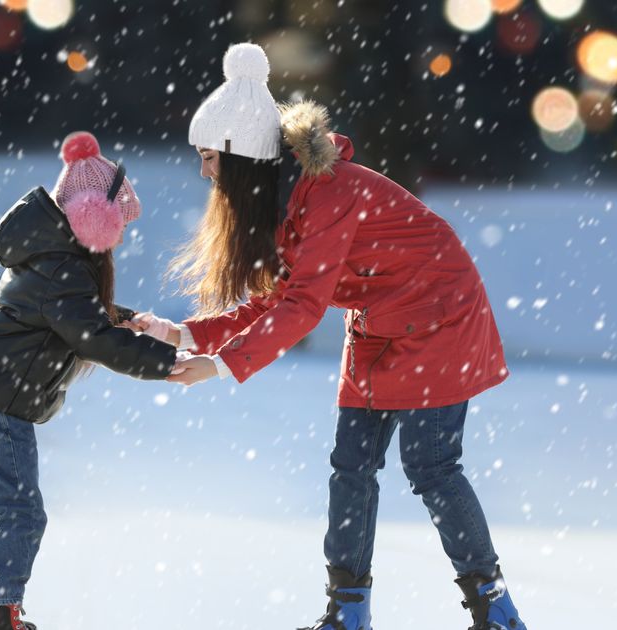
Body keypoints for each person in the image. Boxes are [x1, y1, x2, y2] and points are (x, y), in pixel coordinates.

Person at [130, 43, 527, 630]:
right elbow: (279, 295)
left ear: (243, 156)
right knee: (351, 466)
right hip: (377, 326)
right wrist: (187, 333)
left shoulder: (330, 192)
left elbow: (304, 305)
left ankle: (496, 612)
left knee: (432, 467)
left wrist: (222, 365)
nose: (204, 171)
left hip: (440, 318)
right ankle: (348, 614)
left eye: (210, 157)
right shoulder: (283, 200)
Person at [0, 131, 180, 630]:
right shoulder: (64, 267)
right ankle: (0, 614)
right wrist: (163, 362)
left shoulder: (52, 253)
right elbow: (90, 337)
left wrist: (123, 318)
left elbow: (75, 317)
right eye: (116, 224)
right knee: (22, 513)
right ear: (93, 216)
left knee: (0, 505)